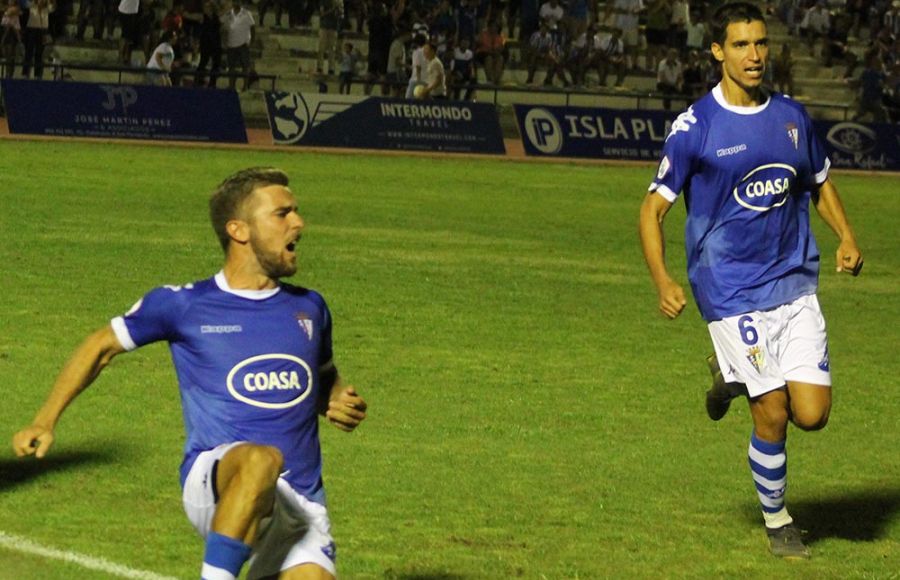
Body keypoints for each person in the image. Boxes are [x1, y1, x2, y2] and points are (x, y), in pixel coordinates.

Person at [12, 167, 368, 580]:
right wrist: (45, 420)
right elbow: (99, 347)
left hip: (301, 500)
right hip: (218, 480)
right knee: (261, 460)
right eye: (282, 213)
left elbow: (323, 375)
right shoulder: (183, 305)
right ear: (239, 230)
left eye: (296, 212)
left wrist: (338, 399)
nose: (298, 223)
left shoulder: (310, 308)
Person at [639, 2, 863, 561]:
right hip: (729, 289)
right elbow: (651, 210)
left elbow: (819, 181)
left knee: (812, 414)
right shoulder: (697, 127)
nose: (754, 55)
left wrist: (846, 236)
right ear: (718, 51)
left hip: (792, 282)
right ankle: (778, 519)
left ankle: (730, 374)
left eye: (760, 44)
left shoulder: (790, 117)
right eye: (740, 45)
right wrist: (663, 279)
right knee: (774, 411)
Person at [223, 0, 255, 91]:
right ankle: (231, 85)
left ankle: (245, 86)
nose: (236, 3)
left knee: (245, 65)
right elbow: (222, 25)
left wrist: (251, 41)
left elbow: (252, 27)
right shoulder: (229, 14)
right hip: (231, 44)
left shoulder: (247, 13)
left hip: (243, 44)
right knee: (231, 66)